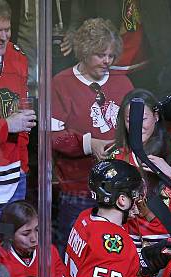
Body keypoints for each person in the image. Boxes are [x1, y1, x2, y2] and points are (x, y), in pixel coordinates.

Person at [51, 17, 133, 251]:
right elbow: (51, 136)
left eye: (110, 55)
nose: (107, 61)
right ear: (84, 52)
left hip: (118, 188)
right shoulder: (61, 83)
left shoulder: (123, 82)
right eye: (100, 55)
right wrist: (88, 144)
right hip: (76, 187)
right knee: (73, 251)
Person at [108, 89, 171, 248]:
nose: (136, 126)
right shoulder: (116, 158)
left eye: (143, 119)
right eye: (129, 120)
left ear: (156, 116)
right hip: (133, 246)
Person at [0, 0, 36, 242]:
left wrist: (23, 165)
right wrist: (6, 126)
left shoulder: (18, 58)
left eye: (7, 30)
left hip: (13, 184)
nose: (4, 37)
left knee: (3, 252)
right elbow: (12, 123)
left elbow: (22, 119)